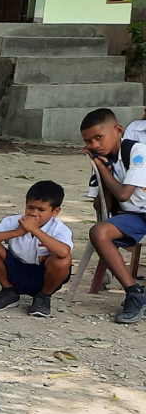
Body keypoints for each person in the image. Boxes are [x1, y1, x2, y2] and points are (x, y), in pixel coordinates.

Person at [79, 107, 146, 324]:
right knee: (99, 232)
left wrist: (104, 170)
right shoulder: (103, 161)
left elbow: (124, 195)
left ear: (118, 130)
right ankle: (134, 293)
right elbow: (102, 207)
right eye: (89, 142)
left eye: (99, 137)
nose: (95, 145)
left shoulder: (138, 152)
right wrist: (99, 171)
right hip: (135, 217)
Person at [0, 180, 73, 318]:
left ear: (55, 211)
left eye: (41, 210)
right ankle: (9, 291)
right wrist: (17, 232)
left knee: (63, 260)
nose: (33, 213)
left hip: (42, 275)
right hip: (15, 270)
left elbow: (64, 252)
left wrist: (35, 230)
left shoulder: (59, 228)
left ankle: (43, 297)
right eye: (30, 207)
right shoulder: (13, 222)